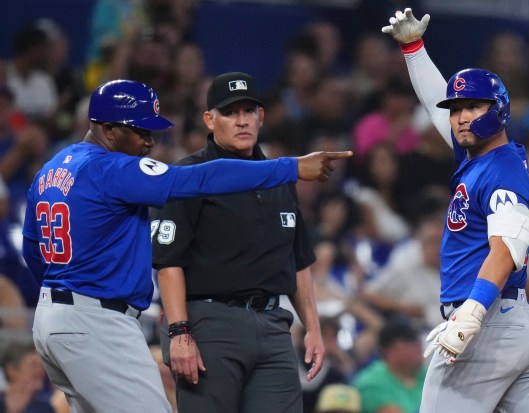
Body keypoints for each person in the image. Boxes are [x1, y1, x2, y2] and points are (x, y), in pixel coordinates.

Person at [20, 78, 351, 413]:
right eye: (141, 131)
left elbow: (32, 250)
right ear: (108, 129)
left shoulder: (51, 168)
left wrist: (60, 299)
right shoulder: (112, 168)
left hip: (53, 318)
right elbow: (199, 179)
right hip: (96, 321)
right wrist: (290, 167)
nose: (149, 141)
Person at [382, 8, 529, 412]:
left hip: (485, 322)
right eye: (457, 109)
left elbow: (507, 248)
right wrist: (413, 50)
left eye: (472, 107)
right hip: (515, 322)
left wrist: (471, 315)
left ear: (498, 109)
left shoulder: (503, 172)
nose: (460, 117)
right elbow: (433, 102)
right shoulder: (480, 156)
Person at [151, 71, 330, 413]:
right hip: (209, 322)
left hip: (273, 324)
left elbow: (298, 262)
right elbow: (168, 262)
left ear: (261, 117)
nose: (242, 120)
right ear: (209, 119)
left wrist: (313, 328)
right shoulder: (188, 175)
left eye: (249, 111)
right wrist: (178, 332)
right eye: (230, 112)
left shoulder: (280, 177)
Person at [352, 319, 426, 413]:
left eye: (417, 343)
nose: (418, 349)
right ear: (389, 351)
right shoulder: (371, 382)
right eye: (408, 344)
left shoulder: (427, 374)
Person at [0, 339, 55, 413]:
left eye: (41, 365)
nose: (40, 370)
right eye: (33, 365)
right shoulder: (2, 403)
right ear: (12, 371)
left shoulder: (46, 406)